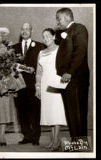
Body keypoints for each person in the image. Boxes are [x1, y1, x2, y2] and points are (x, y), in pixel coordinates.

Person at [55, 8, 89, 138]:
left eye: (59, 18)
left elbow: (80, 52)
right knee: (71, 113)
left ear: (68, 17)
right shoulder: (64, 32)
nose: (57, 22)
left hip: (76, 79)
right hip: (68, 80)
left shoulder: (79, 28)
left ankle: (81, 142)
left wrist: (69, 72)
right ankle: (76, 141)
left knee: (78, 112)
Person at [12, 23, 45, 145]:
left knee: (35, 111)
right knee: (22, 111)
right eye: (22, 29)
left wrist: (34, 70)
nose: (24, 31)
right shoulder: (13, 48)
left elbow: (43, 65)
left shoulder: (40, 46)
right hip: (18, 84)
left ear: (31, 31)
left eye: (27, 29)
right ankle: (26, 136)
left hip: (33, 83)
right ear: (20, 31)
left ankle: (36, 137)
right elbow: (10, 65)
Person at [35, 28, 67, 151]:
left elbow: (65, 67)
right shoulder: (41, 52)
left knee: (56, 112)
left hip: (56, 83)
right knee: (49, 113)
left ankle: (55, 140)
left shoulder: (60, 49)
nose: (45, 39)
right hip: (44, 84)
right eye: (43, 37)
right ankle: (55, 140)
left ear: (54, 37)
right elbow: (38, 72)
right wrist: (37, 87)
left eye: (47, 36)